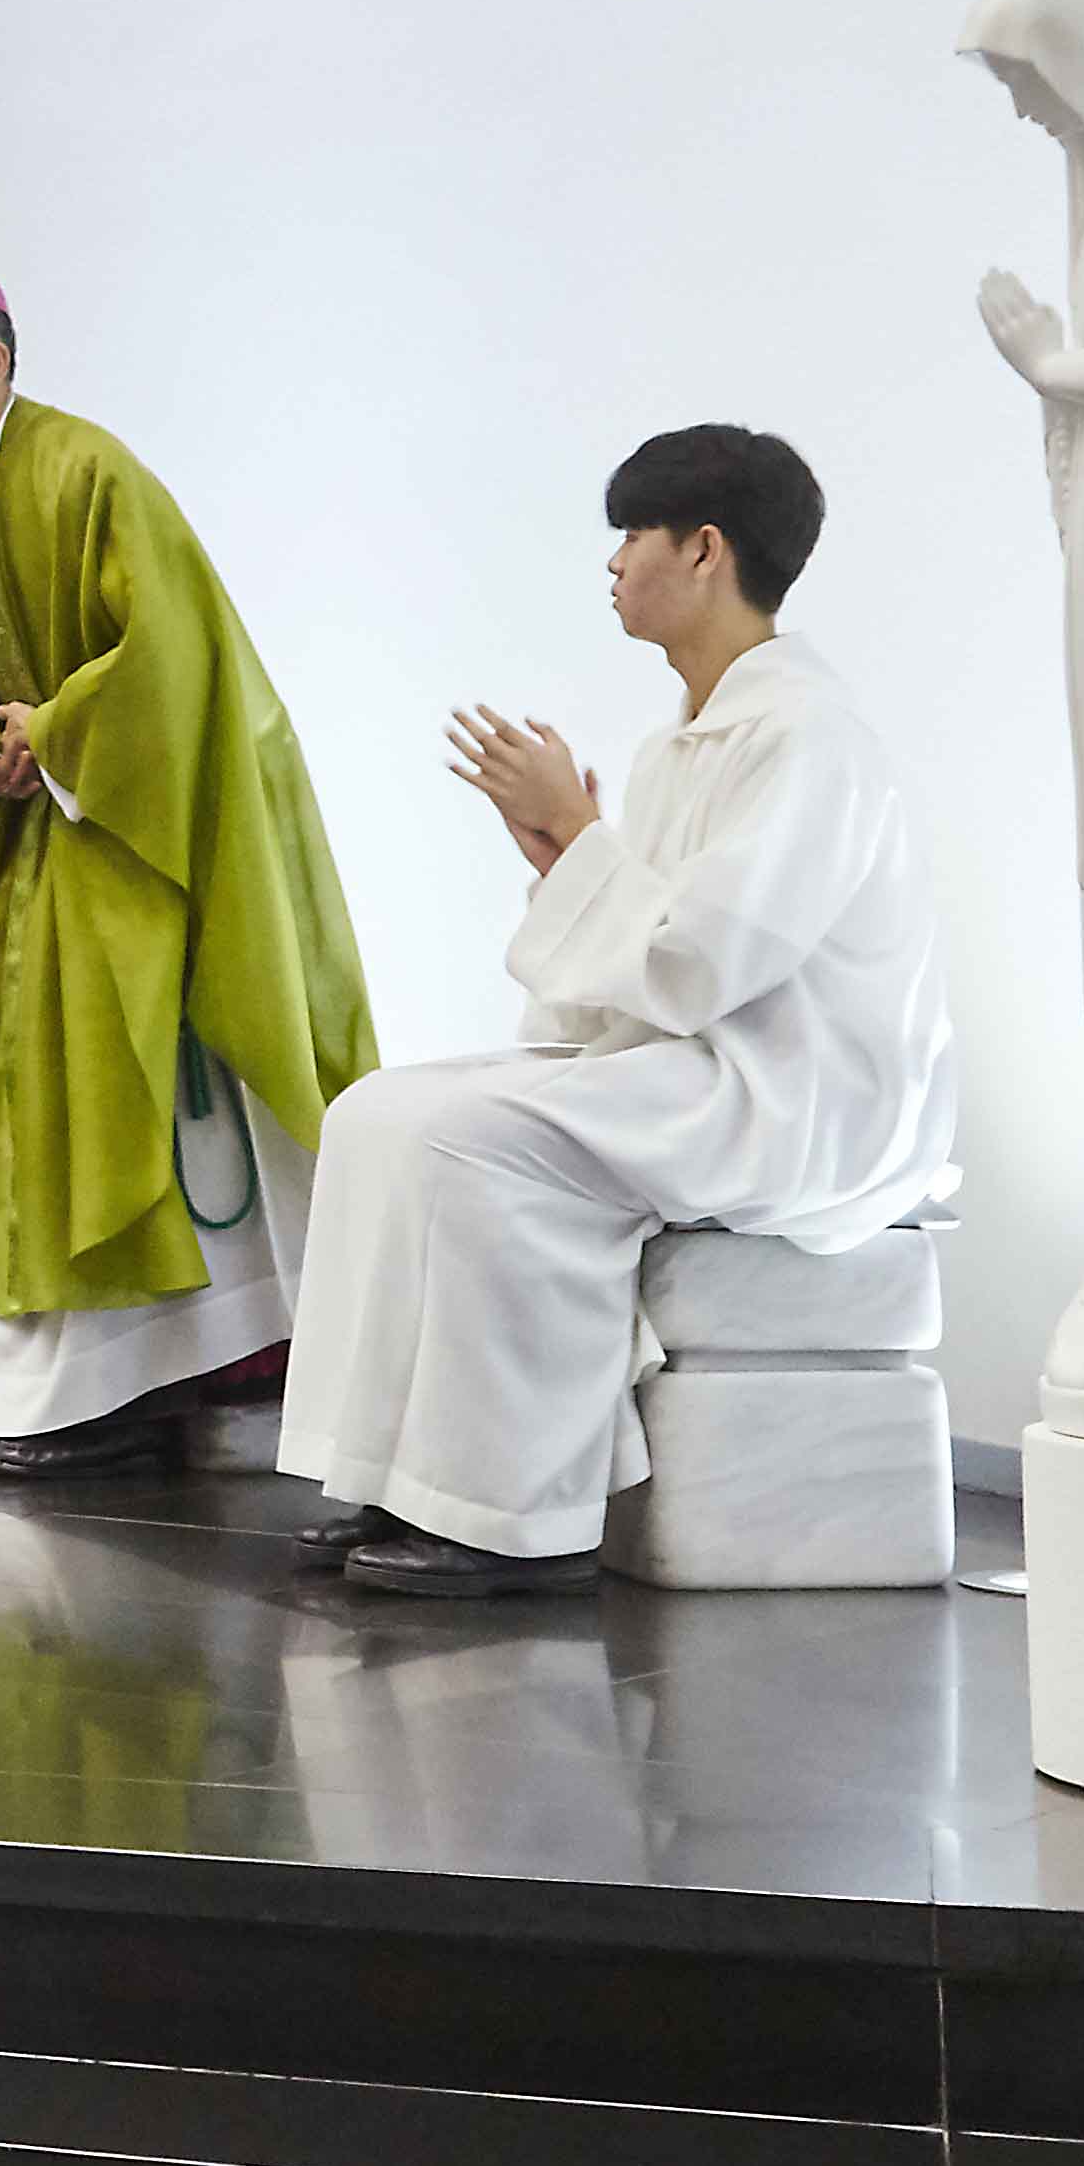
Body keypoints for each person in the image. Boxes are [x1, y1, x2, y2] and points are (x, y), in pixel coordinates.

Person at [282, 429, 963, 1595]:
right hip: (700, 1061)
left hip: (798, 1093)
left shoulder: (810, 737)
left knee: (471, 1143)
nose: (613, 564)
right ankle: (400, 1478)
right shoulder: (677, 746)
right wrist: (562, 858)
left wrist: (581, 838)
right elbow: (645, 957)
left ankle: (513, 1518)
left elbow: (703, 963)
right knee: (378, 1111)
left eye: (633, 535)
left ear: (704, 550)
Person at [0, 267, 379, 1476]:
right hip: (36, 838)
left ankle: (138, 1385)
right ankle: (21, 1399)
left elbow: (174, 647)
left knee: (108, 1085)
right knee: (11, 1099)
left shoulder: (90, 469)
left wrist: (58, 730)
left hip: (140, 825)